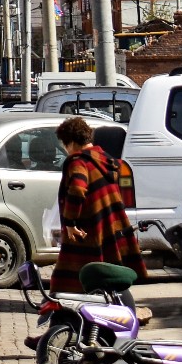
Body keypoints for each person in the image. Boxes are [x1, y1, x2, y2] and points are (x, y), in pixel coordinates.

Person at [50, 114, 146, 296]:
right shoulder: (104, 159)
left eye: (64, 145)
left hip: (87, 229)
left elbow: (78, 188)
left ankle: (64, 304)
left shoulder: (79, 161)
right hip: (109, 225)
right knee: (104, 270)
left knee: (72, 273)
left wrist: (70, 223)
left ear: (71, 142)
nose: (65, 149)